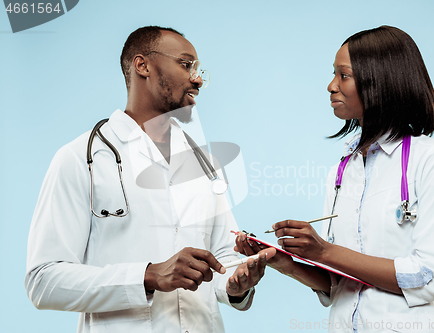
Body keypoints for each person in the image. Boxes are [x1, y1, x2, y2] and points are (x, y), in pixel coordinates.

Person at [25, 26, 275, 333]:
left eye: (198, 69)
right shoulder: (81, 158)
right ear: (143, 66)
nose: (197, 79)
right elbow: (43, 280)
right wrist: (147, 275)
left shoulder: (203, 162)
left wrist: (236, 285)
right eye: (186, 65)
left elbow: (222, 256)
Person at [235, 26, 434, 332]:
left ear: (380, 80)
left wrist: (324, 251)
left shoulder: (433, 159)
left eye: (344, 75)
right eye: (334, 74)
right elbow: (339, 284)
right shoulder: (342, 172)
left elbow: (430, 276)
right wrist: (285, 261)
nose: (331, 86)